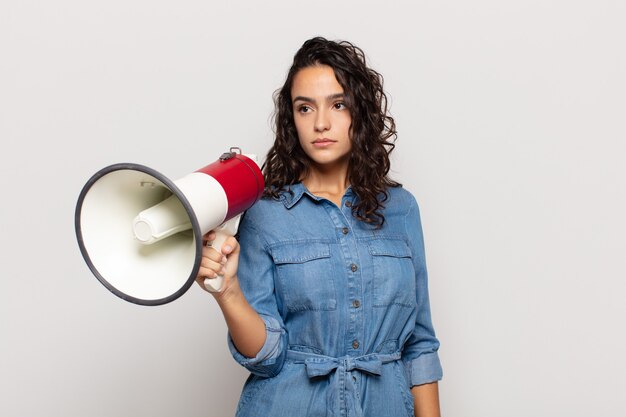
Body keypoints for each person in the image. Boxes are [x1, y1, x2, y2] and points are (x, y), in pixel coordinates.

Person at [196, 37, 443, 417]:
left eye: (338, 104)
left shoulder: (402, 209)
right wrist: (227, 291)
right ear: (291, 119)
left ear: (360, 111)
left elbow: (420, 345)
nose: (321, 123)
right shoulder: (266, 214)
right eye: (305, 108)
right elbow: (266, 357)